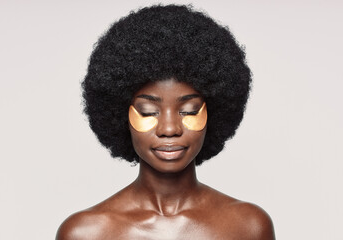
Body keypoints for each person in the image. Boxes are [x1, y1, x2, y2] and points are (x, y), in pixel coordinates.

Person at [56, 4, 275, 240]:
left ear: (213, 112)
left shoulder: (248, 226)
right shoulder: (86, 233)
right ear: (121, 116)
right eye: (149, 112)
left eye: (188, 111)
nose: (169, 129)